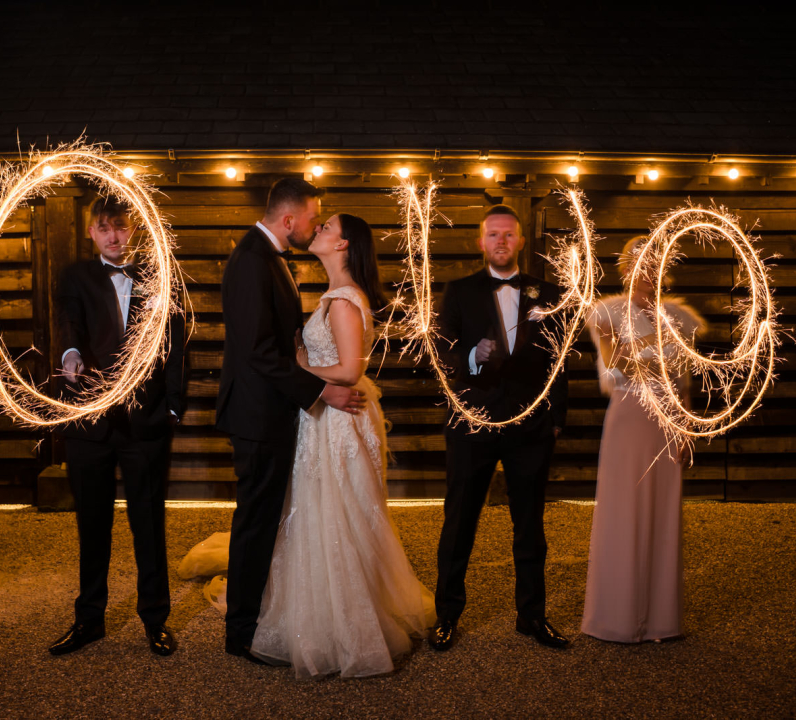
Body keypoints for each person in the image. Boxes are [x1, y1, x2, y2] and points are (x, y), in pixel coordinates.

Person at [248, 213, 435, 678]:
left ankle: (352, 629)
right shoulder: (332, 298)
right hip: (324, 417)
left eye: (327, 226)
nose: (319, 230)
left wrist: (296, 370)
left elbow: (350, 371)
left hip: (337, 419)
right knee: (320, 513)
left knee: (341, 513)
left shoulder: (345, 302)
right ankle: (323, 618)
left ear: (344, 244)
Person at [216, 178, 364, 664]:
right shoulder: (252, 262)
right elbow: (259, 353)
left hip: (274, 413)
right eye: (311, 217)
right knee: (255, 522)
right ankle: (240, 633)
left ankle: (257, 618)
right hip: (258, 417)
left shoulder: (270, 259)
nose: (313, 225)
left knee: (265, 520)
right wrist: (321, 388)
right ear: (288, 220)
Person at [48, 196, 186, 658]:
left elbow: (175, 343)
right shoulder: (75, 276)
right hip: (88, 421)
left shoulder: (160, 276)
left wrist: (173, 408)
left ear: (134, 229)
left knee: (148, 523)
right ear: (91, 232)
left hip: (145, 423)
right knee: (92, 524)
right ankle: (89, 620)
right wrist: (70, 355)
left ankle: (155, 620)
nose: (113, 236)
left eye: (121, 227)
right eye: (104, 228)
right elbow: (67, 323)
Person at [430, 204, 570, 651]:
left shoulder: (550, 294)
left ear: (522, 241)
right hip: (472, 421)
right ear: (480, 242)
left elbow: (560, 361)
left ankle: (532, 616)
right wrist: (473, 355)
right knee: (460, 521)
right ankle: (447, 616)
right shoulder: (457, 291)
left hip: (531, 424)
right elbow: (442, 353)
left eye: (509, 234)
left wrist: (557, 421)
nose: (501, 241)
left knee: (530, 523)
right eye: (493, 234)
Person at [581, 236, 704, 643]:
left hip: (666, 423)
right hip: (628, 418)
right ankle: (615, 618)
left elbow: (683, 382)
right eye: (637, 262)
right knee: (623, 509)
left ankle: (660, 620)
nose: (646, 270)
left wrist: (685, 427)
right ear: (624, 267)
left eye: (653, 262)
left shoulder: (681, 318)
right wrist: (651, 352)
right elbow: (613, 373)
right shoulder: (606, 314)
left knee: (664, 512)